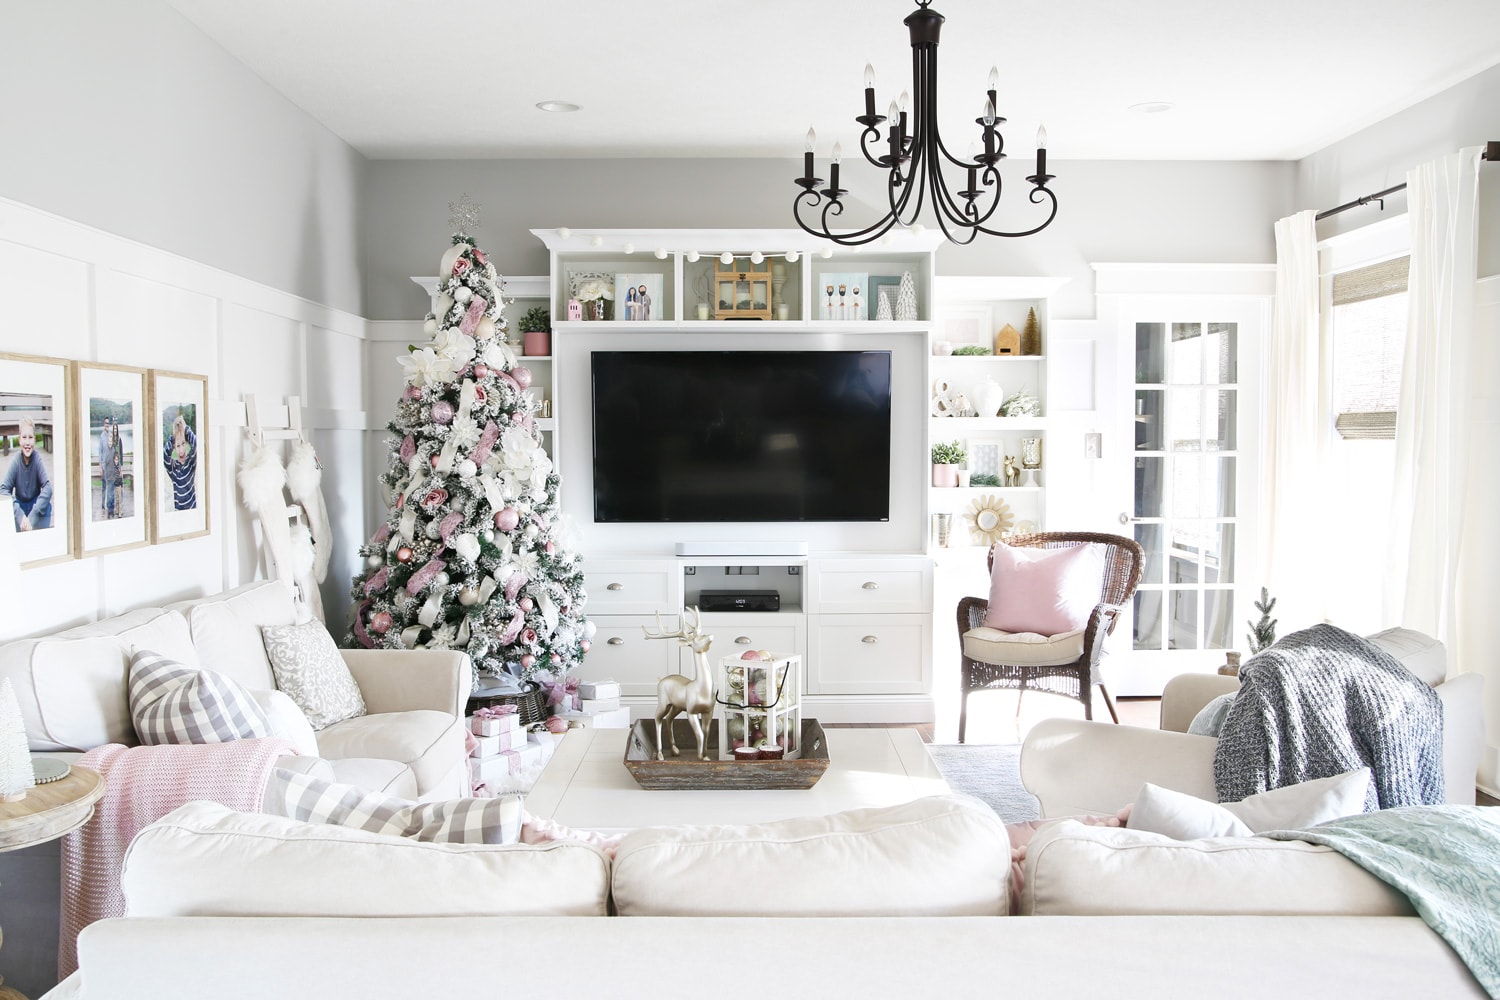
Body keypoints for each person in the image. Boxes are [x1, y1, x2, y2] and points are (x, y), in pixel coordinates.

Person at [2, 417, 52, 531]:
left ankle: (39, 534)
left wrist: (33, 515)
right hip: (20, 506)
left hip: (34, 505)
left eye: (30, 438)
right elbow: (3, 489)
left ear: (34, 439)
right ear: (19, 440)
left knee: (47, 506)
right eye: (24, 438)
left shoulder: (37, 459)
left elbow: (48, 487)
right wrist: (19, 515)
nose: (27, 442)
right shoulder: (16, 461)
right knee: (7, 507)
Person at [164, 413, 197, 510]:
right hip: (178, 513)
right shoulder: (173, 468)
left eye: (183, 444)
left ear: (187, 442)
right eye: (178, 446)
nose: (181, 449)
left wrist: (186, 429)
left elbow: (196, 445)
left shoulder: (191, 462)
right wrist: (173, 438)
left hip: (192, 510)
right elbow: (165, 455)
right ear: (174, 447)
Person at [100, 416, 119, 518]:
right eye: (105, 423)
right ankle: (104, 506)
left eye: (108, 423)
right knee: (105, 488)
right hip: (104, 468)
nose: (107, 425)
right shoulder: (102, 436)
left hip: (111, 470)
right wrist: (100, 466)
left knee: (111, 490)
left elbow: (115, 456)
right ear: (104, 424)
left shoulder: (111, 436)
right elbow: (100, 452)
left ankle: (110, 509)